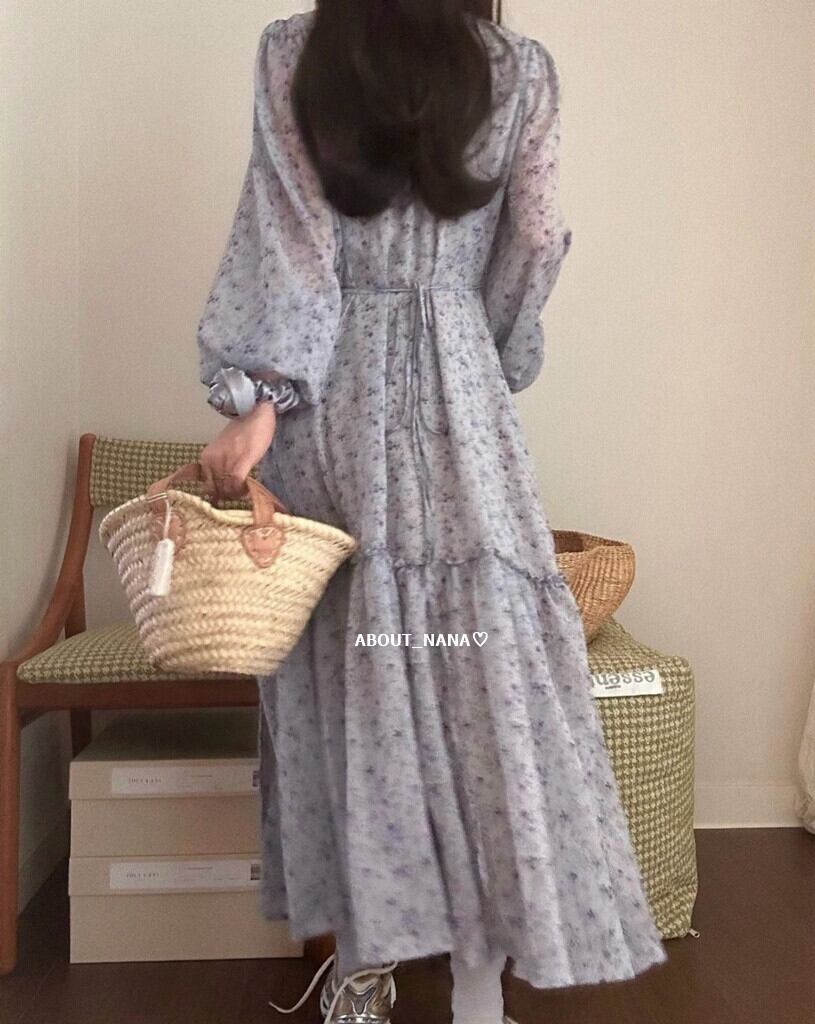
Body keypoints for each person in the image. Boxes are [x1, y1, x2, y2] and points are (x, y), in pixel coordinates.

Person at [196, 4, 668, 1023]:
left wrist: (261, 398)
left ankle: (361, 971)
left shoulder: (296, 51)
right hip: (459, 387)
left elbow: (289, 241)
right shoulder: (519, 68)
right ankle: (476, 990)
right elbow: (533, 238)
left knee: (352, 666)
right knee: (483, 675)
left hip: (333, 399)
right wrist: (481, 345)